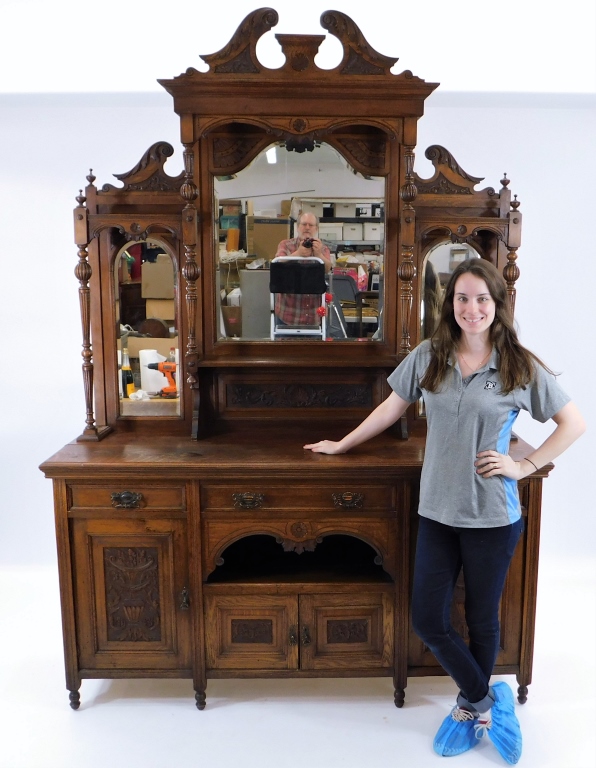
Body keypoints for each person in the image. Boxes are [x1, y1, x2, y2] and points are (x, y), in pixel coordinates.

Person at [304, 258, 585, 764]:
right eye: (462, 298)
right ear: (449, 304)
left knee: (481, 620)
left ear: (497, 305)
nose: (471, 308)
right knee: (428, 619)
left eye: (482, 299)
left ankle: (464, 708)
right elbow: (392, 407)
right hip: (436, 511)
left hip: (493, 517)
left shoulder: (519, 365)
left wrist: (526, 466)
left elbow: (573, 423)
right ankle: (486, 701)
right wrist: (343, 444)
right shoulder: (430, 356)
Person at [274, 212, 332, 326]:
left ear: (316, 228)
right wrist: (298, 253)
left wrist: (318, 255)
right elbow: (277, 264)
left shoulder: (323, 248)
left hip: (315, 317)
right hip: (288, 315)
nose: (307, 228)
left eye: (311, 225)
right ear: (297, 226)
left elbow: (328, 269)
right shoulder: (285, 245)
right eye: (304, 224)